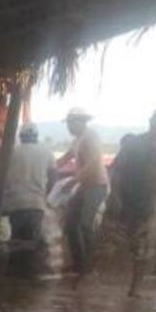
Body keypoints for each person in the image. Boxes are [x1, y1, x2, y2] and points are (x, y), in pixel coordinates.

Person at [109, 107, 156, 293]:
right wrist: (115, 196)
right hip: (124, 198)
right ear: (150, 121)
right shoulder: (134, 143)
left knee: (143, 249)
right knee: (109, 243)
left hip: (146, 203)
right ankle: (88, 283)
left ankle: (134, 289)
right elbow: (116, 170)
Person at [55, 107, 109, 277]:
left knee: (85, 224)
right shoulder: (76, 140)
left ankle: (90, 266)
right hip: (84, 186)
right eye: (68, 123)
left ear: (81, 122)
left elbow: (93, 162)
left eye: (71, 123)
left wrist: (74, 180)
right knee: (71, 224)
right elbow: (65, 158)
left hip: (97, 186)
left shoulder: (91, 137)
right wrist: (49, 168)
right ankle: (79, 264)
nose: (68, 127)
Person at [2, 122, 55, 243]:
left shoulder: (10, 152)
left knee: (15, 243)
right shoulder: (47, 152)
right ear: (36, 136)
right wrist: (44, 194)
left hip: (14, 204)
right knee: (32, 243)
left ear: (21, 137)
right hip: (36, 204)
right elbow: (53, 176)